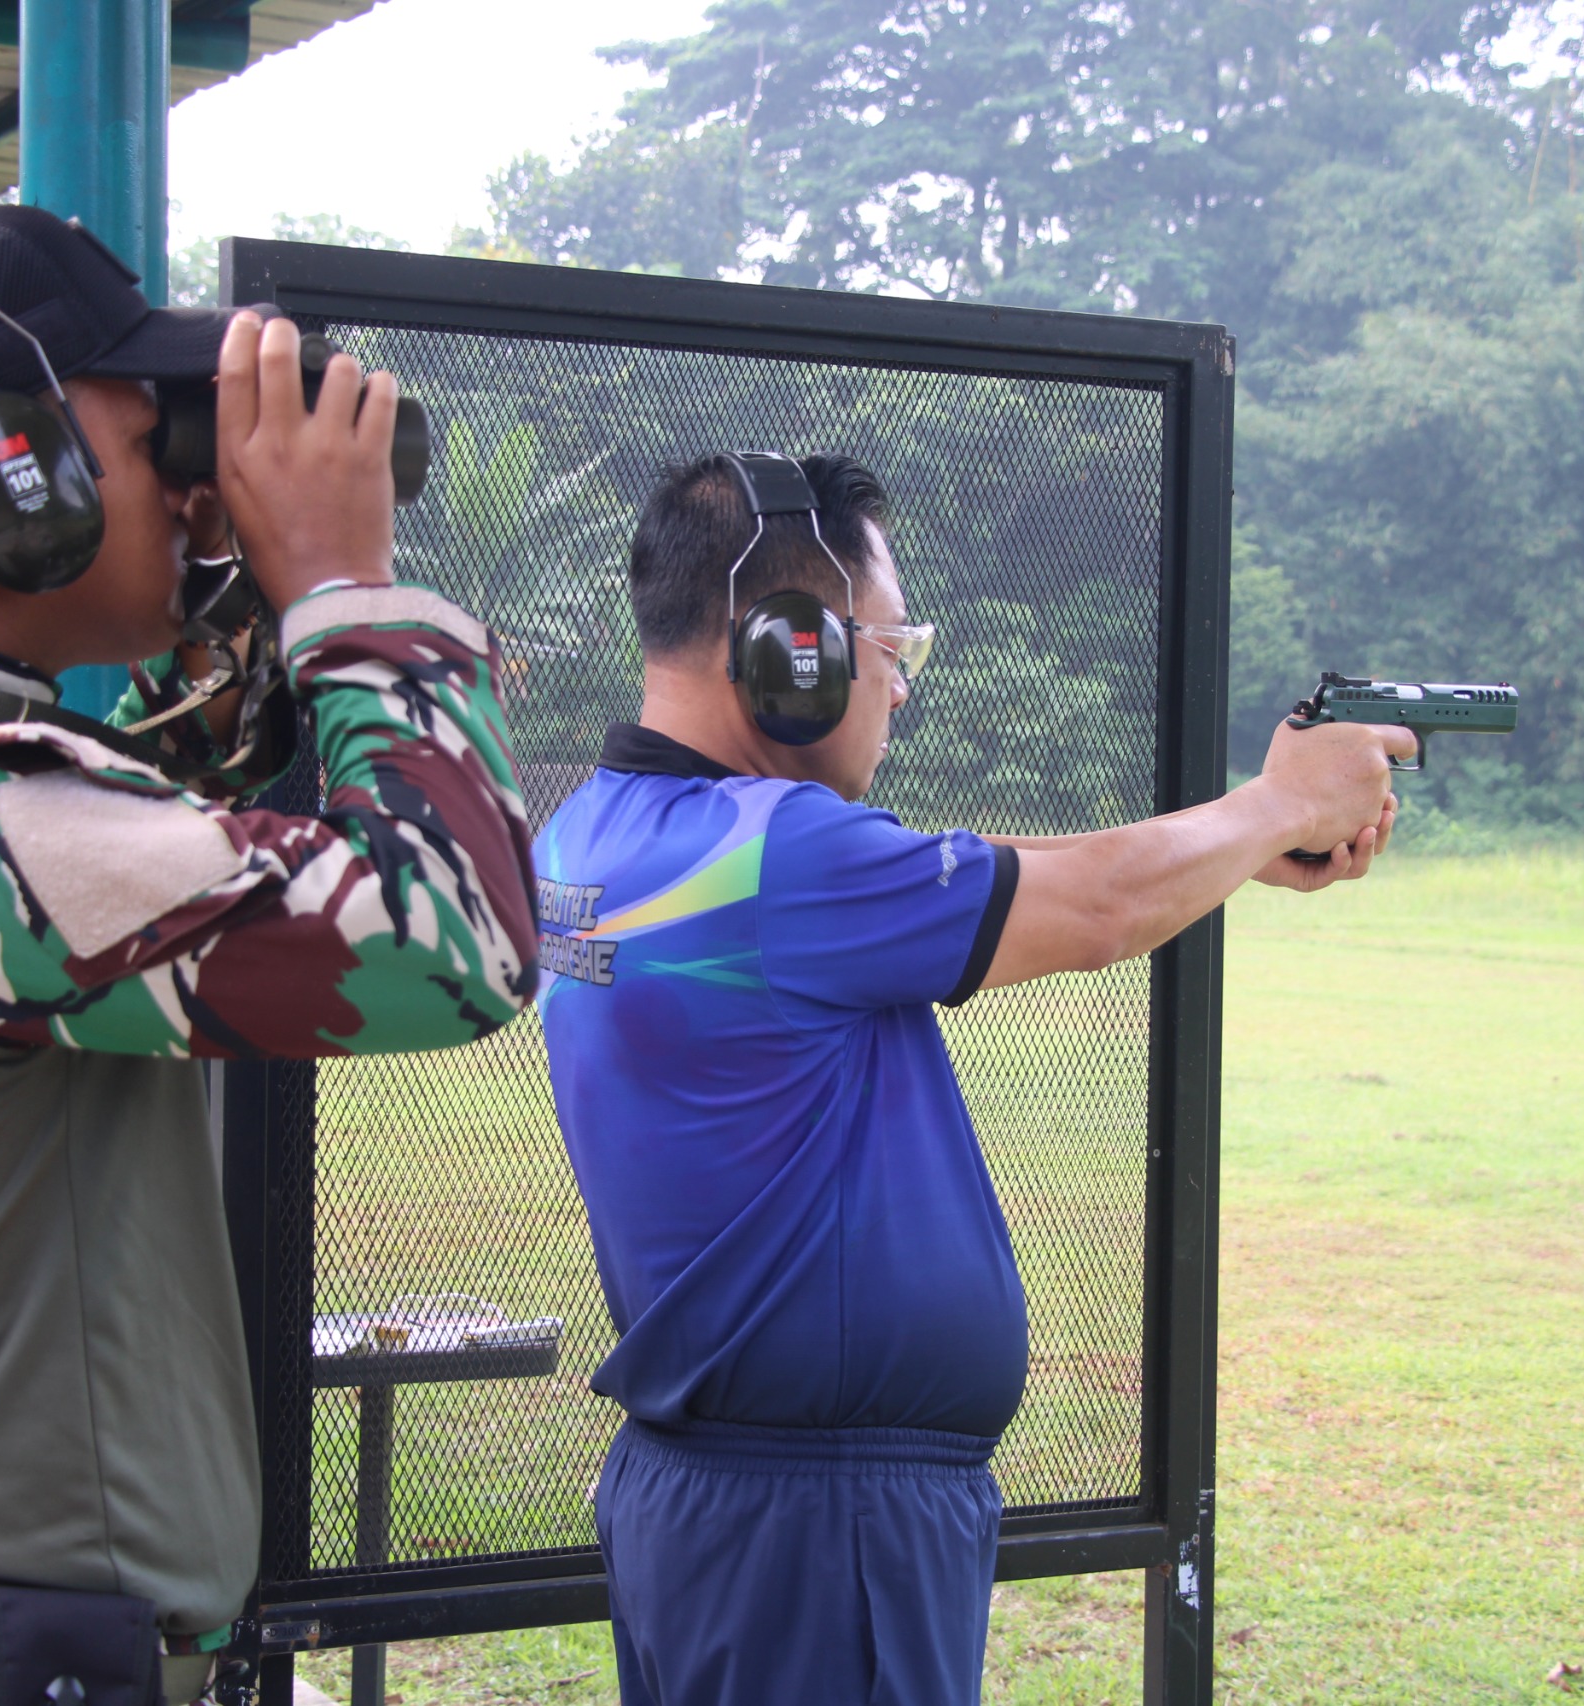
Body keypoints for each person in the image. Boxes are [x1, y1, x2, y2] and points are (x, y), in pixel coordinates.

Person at [0, 204, 537, 1706]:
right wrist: (340, 587)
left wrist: (238, 605)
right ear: (17, 472)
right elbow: (454, 934)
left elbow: (132, 821)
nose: (198, 497)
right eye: (159, 446)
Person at [534, 452, 1411, 1706]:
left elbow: (962, 866)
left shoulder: (601, 830)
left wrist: (1241, 838)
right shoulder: (778, 856)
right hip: (820, 1527)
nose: (899, 691)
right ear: (795, 648)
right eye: (891, 652)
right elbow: (1096, 905)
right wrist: (1277, 804)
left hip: (717, 1502)